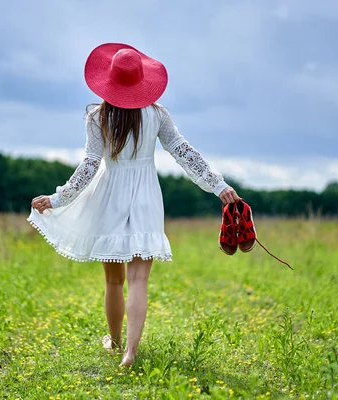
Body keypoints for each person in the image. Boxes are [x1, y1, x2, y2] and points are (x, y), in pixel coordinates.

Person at [28, 43, 240, 367]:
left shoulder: (97, 116)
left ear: (108, 81)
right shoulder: (157, 114)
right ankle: (131, 351)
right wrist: (219, 186)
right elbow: (185, 153)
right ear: (142, 81)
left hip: (108, 197)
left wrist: (57, 198)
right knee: (139, 280)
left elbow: (89, 166)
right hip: (145, 197)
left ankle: (113, 342)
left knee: (114, 281)